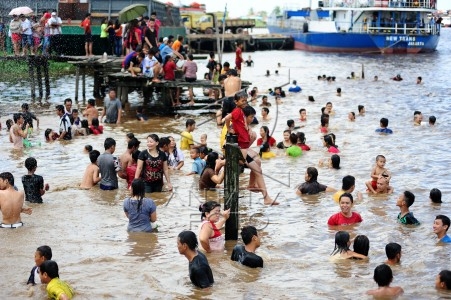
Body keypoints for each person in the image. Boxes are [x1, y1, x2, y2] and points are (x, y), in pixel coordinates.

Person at [224, 94, 277, 205]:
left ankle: (255, 188)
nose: (252, 119)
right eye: (251, 117)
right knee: (257, 167)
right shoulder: (235, 120)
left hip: (241, 149)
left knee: (257, 163)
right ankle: (264, 196)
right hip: (235, 152)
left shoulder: (243, 123)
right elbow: (227, 142)